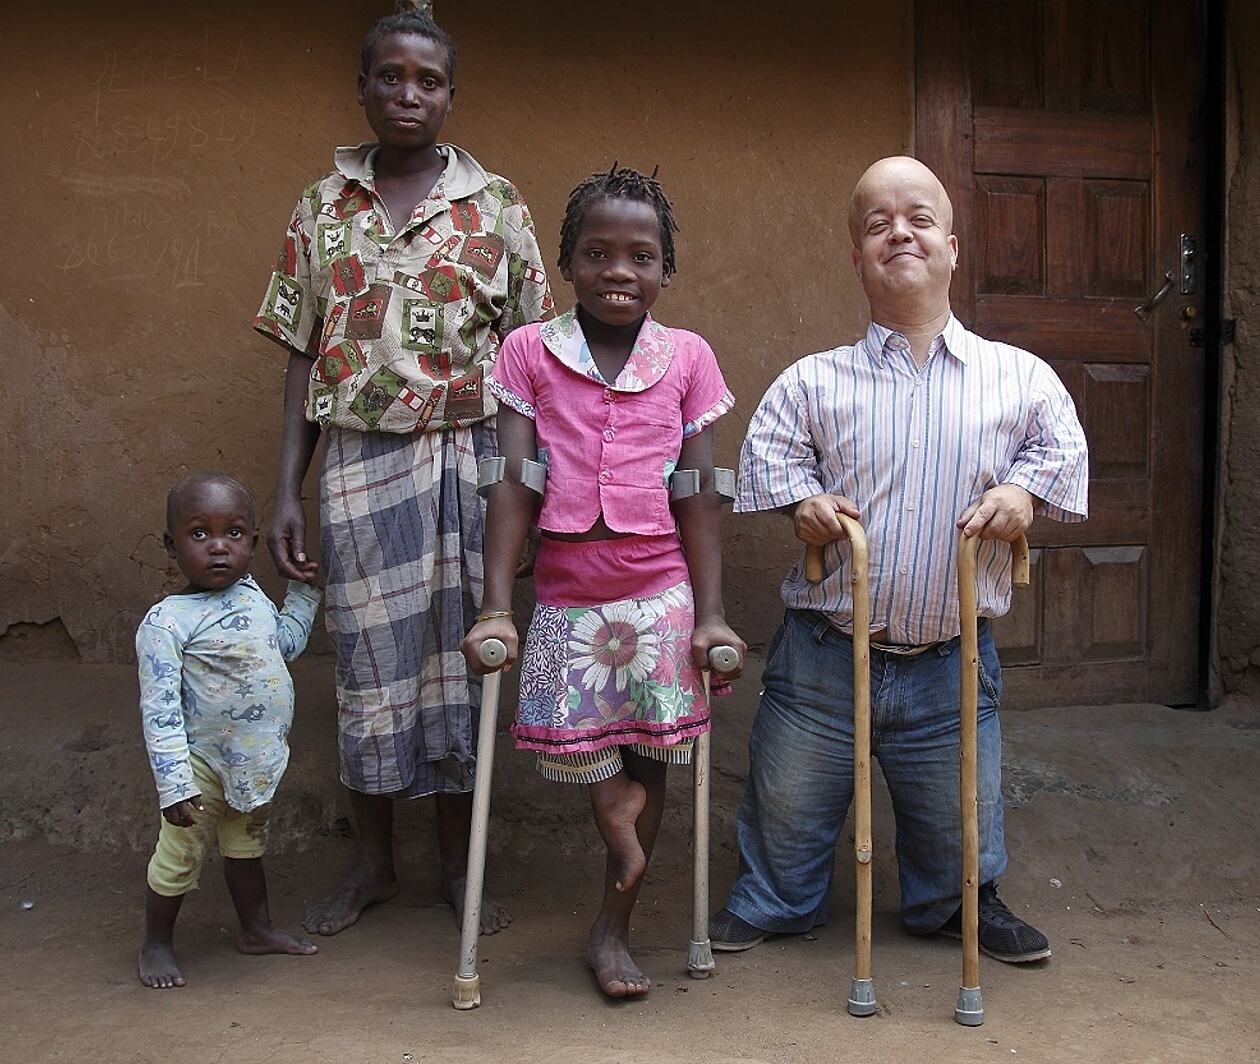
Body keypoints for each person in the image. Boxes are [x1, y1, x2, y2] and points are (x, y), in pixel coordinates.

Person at [709, 156, 1088, 964]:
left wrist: (1023, 494)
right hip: (822, 659)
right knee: (785, 818)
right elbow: (770, 463)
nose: (899, 232)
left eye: (917, 217)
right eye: (877, 223)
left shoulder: (1019, 379)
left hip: (950, 662)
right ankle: (776, 903)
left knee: (961, 840)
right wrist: (801, 504)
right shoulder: (812, 381)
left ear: (952, 246)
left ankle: (960, 906)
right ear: (856, 258)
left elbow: (1063, 455)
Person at [253, 10, 552, 938]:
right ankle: (376, 864)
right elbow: (303, 351)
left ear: (451, 94)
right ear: (363, 88)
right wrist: (285, 490)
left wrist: (524, 489)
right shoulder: (320, 207)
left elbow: (529, 364)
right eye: (390, 77)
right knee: (373, 671)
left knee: (469, 663)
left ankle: (460, 869)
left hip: (470, 458)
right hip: (360, 461)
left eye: (427, 80)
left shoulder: (496, 205)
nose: (408, 94)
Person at [462, 165, 746, 999]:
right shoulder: (528, 351)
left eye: (641, 256)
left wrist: (714, 616)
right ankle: (616, 821)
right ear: (566, 261)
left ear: (666, 270)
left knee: (653, 749)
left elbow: (697, 494)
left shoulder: (687, 357)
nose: (618, 271)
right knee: (579, 738)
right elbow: (513, 478)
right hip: (569, 587)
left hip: (659, 586)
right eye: (596, 253)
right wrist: (494, 603)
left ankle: (613, 928)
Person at [137, 474, 321, 988]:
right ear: (171, 545)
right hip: (201, 769)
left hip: (256, 763)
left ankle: (256, 930)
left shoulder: (254, 597)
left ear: (254, 543)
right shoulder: (166, 622)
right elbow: (160, 712)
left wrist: (305, 595)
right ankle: (156, 943)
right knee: (178, 858)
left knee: (247, 849)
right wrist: (175, 784)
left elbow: (282, 646)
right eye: (200, 534)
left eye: (234, 533)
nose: (219, 547)